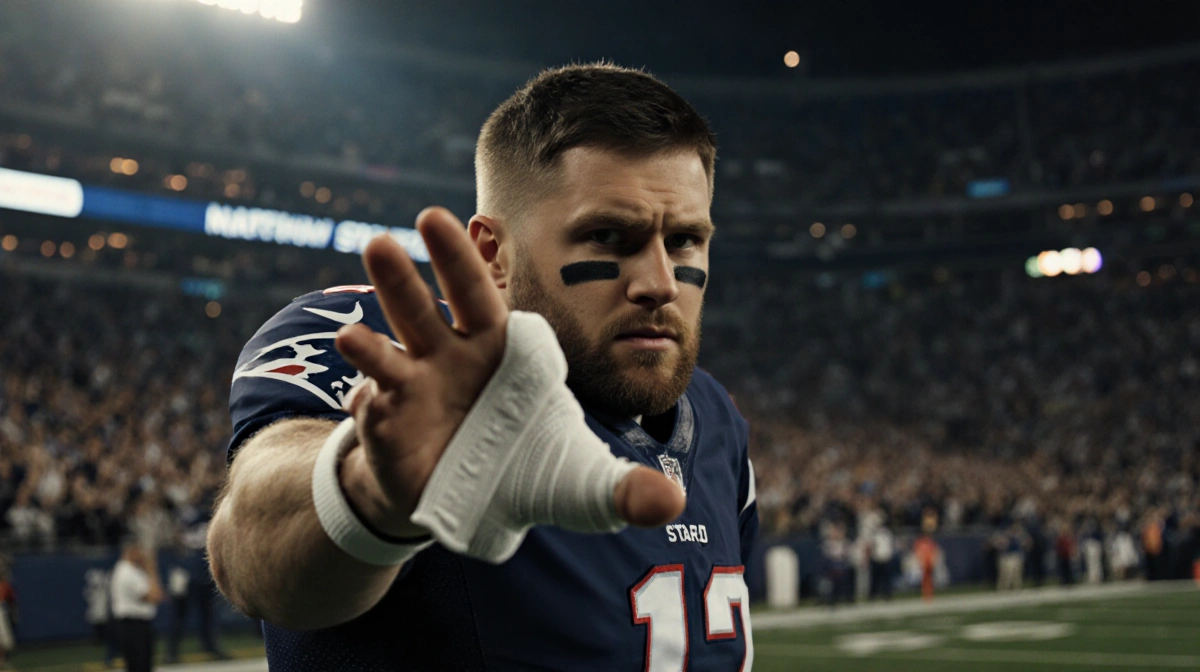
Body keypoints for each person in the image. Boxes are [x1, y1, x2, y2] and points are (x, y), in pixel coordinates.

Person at [207, 63, 758, 670]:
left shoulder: (715, 419)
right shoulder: (390, 354)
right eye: (606, 236)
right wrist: (368, 490)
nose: (659, 284)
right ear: (494, 255)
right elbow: (249, 547)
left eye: (684, 240)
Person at [111, 544, 163, 672]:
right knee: (139, 666)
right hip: (133, 625)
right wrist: (152, 569)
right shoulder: (127, 572)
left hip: (136, 625)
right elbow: (153, 597)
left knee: (143, 665)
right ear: (132, 552)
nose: (144, 556)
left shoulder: (132, 570)